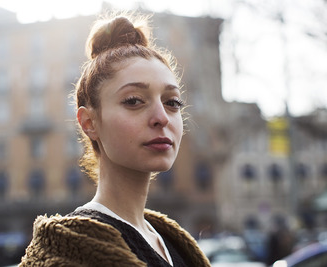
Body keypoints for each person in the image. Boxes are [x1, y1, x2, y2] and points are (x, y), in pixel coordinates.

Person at [19, 12, 211, 267]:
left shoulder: (172, 243)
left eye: (172, 102)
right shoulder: (69, 251)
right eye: (134, 101)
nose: (161, 117)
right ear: (89, 123)